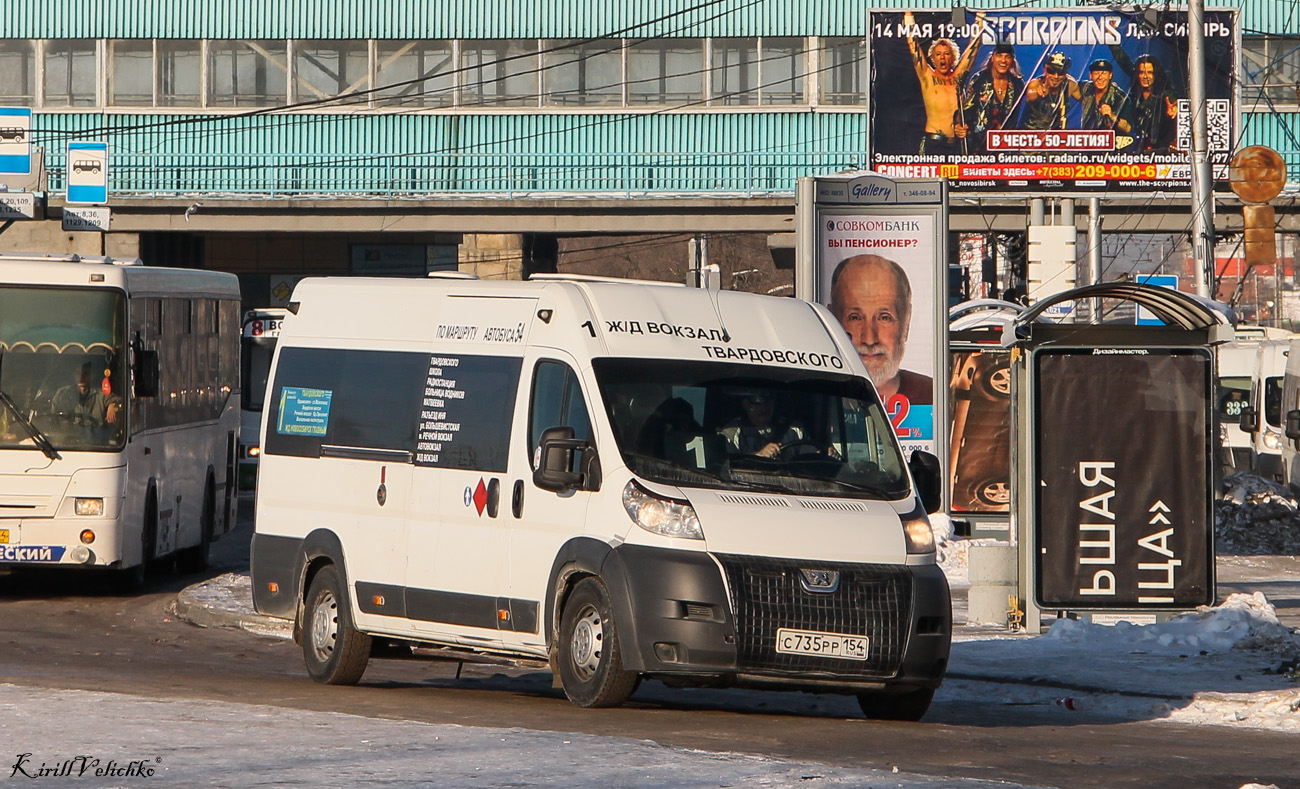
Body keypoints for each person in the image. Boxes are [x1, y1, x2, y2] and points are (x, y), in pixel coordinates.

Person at [828, 254, 933, 406]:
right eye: (855, 318)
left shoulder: (932, 397)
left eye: (884, 318)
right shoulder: (813, 398)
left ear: (906, 322)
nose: (869, 339)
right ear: (831, 319)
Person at [903, 11, 982, 155]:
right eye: (938, 54)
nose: (942, 58)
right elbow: (912, 44)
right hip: (934, 143)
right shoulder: (927, 76)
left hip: (956, 145)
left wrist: (980, 16)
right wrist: (908, 16)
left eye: (946, 54)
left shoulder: (959, 77)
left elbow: (975, 45)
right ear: (932, 58)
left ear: (953, 58)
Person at [957, 42, 1025, 153]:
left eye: (1007, 57)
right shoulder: (979, 79)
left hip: (1005, 147)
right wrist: (960, 126)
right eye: (999, 55)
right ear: (992, 57)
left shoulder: (1017, 84)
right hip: (978, 147)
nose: (1003, 60)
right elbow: (966, 111)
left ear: (1012, 60)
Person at [719, 393, 805, 458]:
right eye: (756, 403)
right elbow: (725, 468)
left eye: (768, 401)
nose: (763, 408)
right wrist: (758, 456)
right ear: (745, 404)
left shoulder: (795, 430)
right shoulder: (730, 433)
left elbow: (810, 461)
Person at [51, 362, 122, 437]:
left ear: (92, 376)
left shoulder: (101, 395)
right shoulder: (63, 394)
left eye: (85, 374)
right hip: (68, 443)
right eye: (78, 373)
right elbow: (53, 421)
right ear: (73, 375)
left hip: (97, 444)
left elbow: (119, 401)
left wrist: (113, 405)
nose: (81, 377)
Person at [1021, 52, 1081, 130]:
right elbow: (1030, 95)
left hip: (1055, 137)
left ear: (1066, 73)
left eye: (1060, 72)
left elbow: (1087, 101)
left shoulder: (1070, 85)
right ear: (1045, 70)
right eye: (1051, 71)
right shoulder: (1036, 83)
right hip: (1031, 134)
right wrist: (1037, 93)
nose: (1056, 76)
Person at [1078, 59, 1132, 136]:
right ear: (1090, 75)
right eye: (1096, 73)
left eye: (1104, 73)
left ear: (1110, 75)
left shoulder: (1120, 97)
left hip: (1112, 144)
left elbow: (1127, 128)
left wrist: (1112, 116)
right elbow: (1070, 84)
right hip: (1088, 141)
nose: (1100, 77)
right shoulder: (1087, 88)